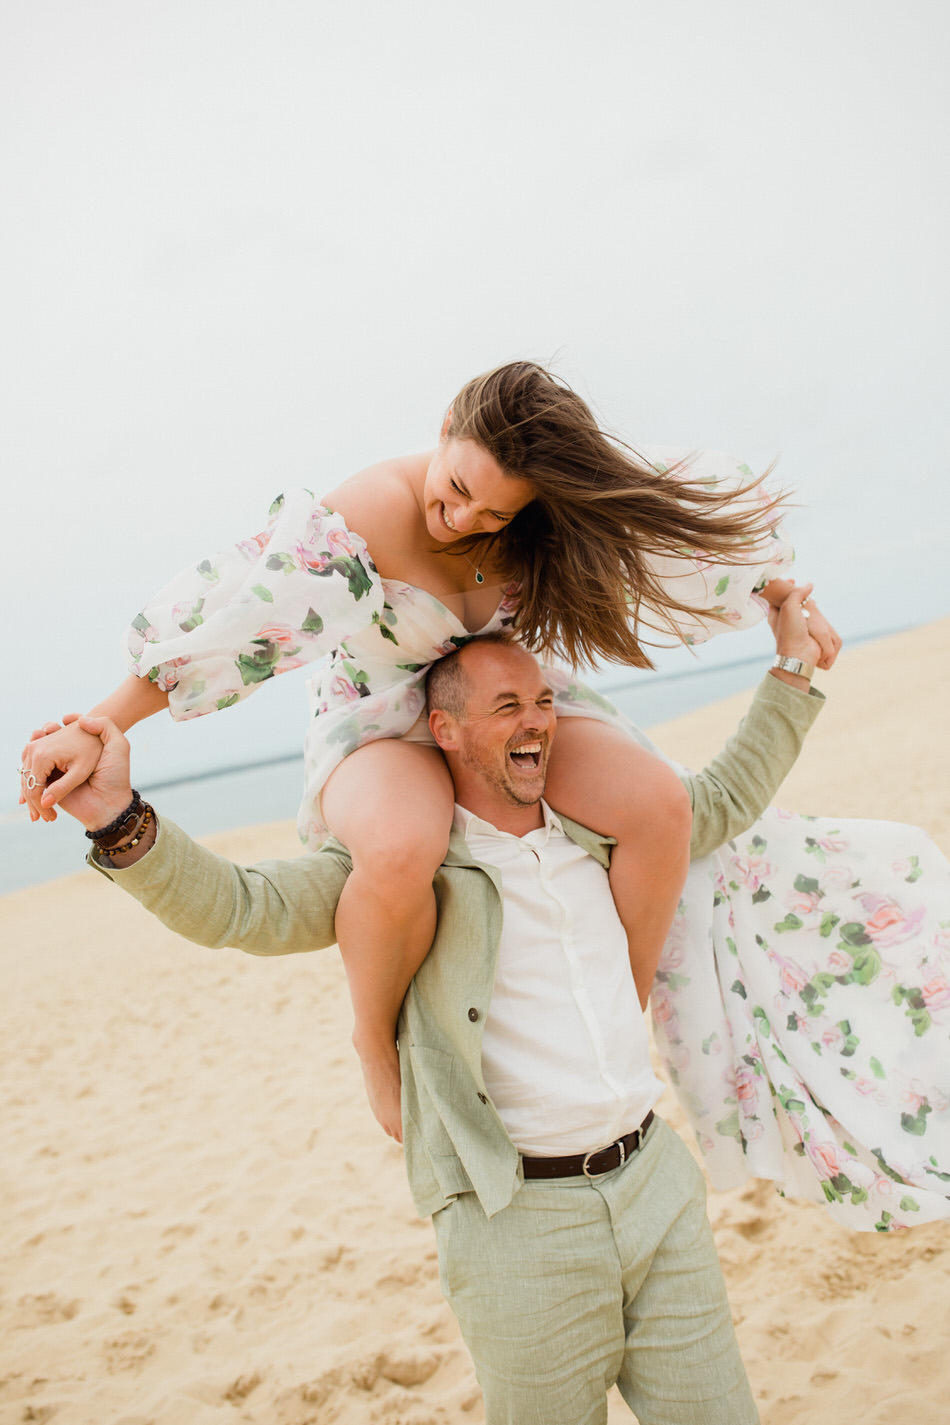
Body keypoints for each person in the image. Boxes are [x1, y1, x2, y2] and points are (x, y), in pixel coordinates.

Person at [54, 590, 830, 1425]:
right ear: (445, 730)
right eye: (508, 705)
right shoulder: (406, 876)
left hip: (656, 1184)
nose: (537, 721)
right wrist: (118, 820)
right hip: (519, 1224)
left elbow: (724, 795)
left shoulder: (601, 835)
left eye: (544, 701)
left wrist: (795, 664)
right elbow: (246, 908)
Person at [18, 361, 840, 1143]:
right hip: (384, 714)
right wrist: (98, 725)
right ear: (446, 426)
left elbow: (669, 538)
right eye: (457, 491)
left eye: (494, 515)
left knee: (659, 805)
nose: (464, 520)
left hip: (506, 699)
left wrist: (782, 602)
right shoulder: (368, 512)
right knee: (401, 849)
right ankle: (375, 1045)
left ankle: (622, 1008)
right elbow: (246, 622)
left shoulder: (541, 505)